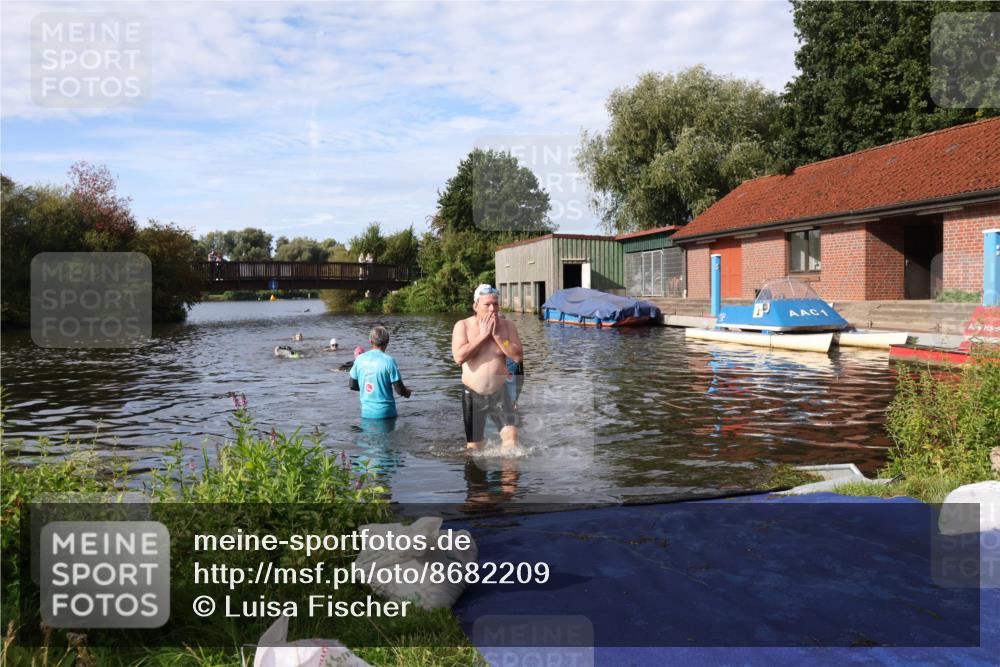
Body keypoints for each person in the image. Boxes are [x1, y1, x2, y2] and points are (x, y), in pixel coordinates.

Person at [452, 284, 523, 450]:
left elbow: (517, 356)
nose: (492, 309)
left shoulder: (507, 327)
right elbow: (459, 357)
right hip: (473, 396)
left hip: (500, 393)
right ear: (476, 306)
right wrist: (483, 336)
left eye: (495, 304)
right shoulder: (463, 326)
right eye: (487, 305)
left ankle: (509, 473)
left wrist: (498, 337)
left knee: (512, 441)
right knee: (475, 448)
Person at [349, 327, 411, 418]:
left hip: (366, 413)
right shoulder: (389, 361)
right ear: (387, 342)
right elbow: (400, 390)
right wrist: (407, 393)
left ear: (370, 341)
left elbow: (352, 385)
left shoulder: (359, 359)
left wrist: (367, 389)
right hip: (387, 414)